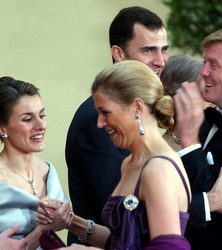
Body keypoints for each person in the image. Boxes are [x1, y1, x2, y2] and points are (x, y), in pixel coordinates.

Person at [42, 60, 191, 249]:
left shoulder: (159, 169)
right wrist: (70, 221)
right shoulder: (129, 163)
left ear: (137, 107)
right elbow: (122, 241)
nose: (100, 123)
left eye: (106, 113)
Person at [65, 6, 169, 245]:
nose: (160, 61)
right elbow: (125, 207)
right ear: (118, 54)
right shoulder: (96, 118)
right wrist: (204, 201)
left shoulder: (138, 110)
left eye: (164, 49)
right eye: (148, 50)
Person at [173, 28, 222, 250]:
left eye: (213, 64)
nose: (203, 72)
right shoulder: (206, 117)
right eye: (204, 62)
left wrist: (188, 142)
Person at [0, 76, 72, 249]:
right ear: (2, 128)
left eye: (42, 115)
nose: (41, 125)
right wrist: (45, 229)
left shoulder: (47, 170)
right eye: (27, 119)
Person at [160, 54, 211, 151]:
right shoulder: (160, 149)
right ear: (177, 98)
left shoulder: (212, 134)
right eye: (201, 94)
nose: (211, 102)